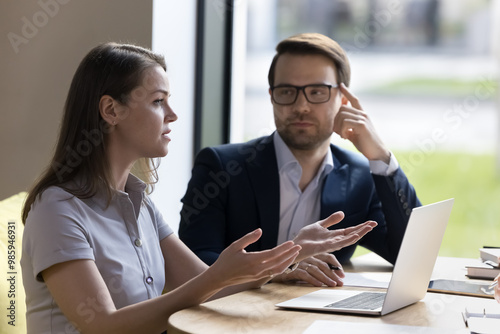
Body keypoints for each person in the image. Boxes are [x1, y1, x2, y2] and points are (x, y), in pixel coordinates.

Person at [20, 42, 377, 334]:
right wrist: (221, 276)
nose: (172, 115)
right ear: (111, 110)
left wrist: (287, 258)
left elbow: (210, 285)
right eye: (159, 101)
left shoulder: (140, 204)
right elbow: (104, 326)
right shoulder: (58, 210)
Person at [178, 33, 421, 287]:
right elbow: (193, 262)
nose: (301, 106)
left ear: (344, 99)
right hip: (235, 319)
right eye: (287, 92)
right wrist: (278, 270)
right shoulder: (220, 167)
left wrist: (381, 156)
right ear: (272, 96)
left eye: (317, 91)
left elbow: (411, 255)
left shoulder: (361, 177)